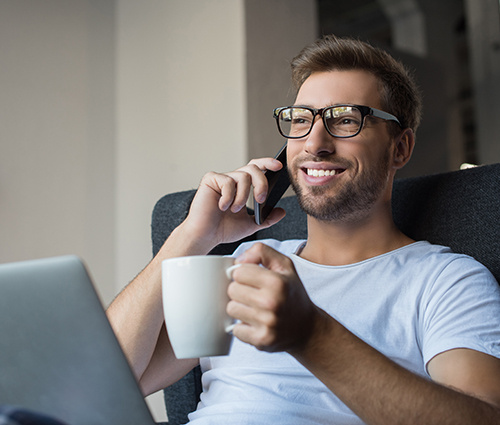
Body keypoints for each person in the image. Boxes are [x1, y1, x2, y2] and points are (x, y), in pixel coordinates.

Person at [107, 35, 500, 424]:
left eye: (345, 119)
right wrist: (192, 237)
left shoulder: (445, 281)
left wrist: (312, 336)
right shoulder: (245, 265)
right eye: (300, 120)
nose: (315, 143)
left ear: (400, 147)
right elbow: (110, 384)